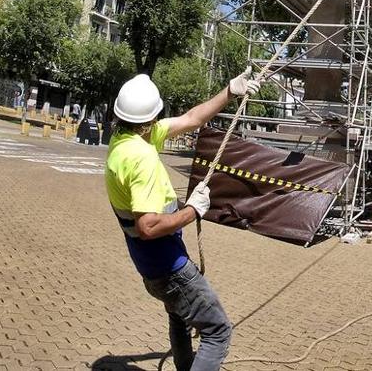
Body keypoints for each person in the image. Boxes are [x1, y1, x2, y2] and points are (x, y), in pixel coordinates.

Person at [105, 68, 261, 371]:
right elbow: (147, 226)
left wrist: (230, 90)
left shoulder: (124, 142)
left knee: (179, 317)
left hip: (150, 266)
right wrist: (192, 210)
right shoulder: (142, 158)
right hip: (169, 267)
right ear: (150, 118)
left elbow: (192, 119)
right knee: (217, 331)